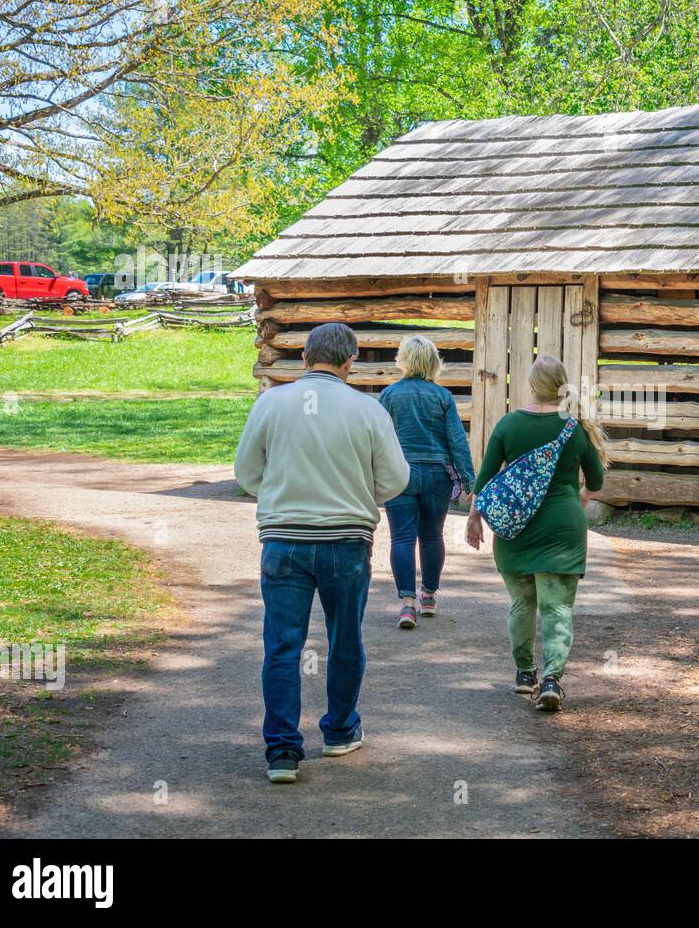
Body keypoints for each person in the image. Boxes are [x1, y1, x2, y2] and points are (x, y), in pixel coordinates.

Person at [234, 322, 409, 784]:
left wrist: (280, 492)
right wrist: (357, 490)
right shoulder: (368, 410)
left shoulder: (271, 402)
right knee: (345, 638)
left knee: (282, 644)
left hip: (283, 539)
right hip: (346, 541)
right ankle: (338, 730)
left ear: (306, 357)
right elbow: (394, 480)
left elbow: (247, 473)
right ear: (349, 361)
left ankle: (282, 751)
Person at [465, 355, 607, 712]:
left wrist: (473, 518)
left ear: (530, 385)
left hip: (516, 529)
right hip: (563, 528)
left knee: (522, 602)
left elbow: (483, 482)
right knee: (557, 606)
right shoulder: (574, 427)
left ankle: (525, 674)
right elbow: (597, 481)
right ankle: (552, 680)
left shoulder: (508, 425)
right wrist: (581, 498)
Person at [377, 334, 476, 628]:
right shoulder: (443, 397)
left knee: (402, 537)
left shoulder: (390, 395)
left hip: (400, 473)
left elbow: (379, 439)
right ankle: (429, 597)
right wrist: (469, 480)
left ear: (403, 361)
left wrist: (371, 476)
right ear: (434, 363)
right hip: (437, 474)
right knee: (432, 535)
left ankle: (407, 605)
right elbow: (457, 441)